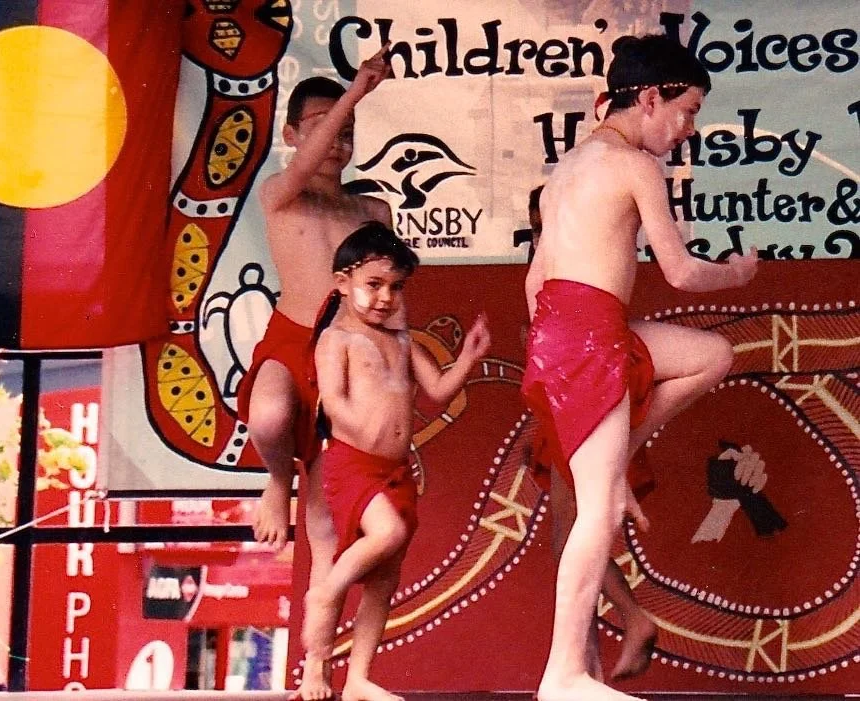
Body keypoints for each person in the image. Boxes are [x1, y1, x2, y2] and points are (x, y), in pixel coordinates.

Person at [522, 34, 758, 701]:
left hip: (567, 333)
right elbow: (680, 272)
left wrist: (559, 351)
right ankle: (563, 672)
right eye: (686, 111)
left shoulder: (568, 168)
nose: (687, 130)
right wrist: (737, 273)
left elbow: (538, 280)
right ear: (650, 98)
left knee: (712, 354)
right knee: (596, 506)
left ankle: (623, 447)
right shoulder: (635, 166)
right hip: (588, 336)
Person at [233, 47, 393, 699]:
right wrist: (356, 92)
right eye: (325, 124)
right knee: (269, 414)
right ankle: (276, 480)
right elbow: (304, 164)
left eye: (348, 129)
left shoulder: (371, 212)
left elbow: (388, 294)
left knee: (327, 529)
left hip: (350, 362)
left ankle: (317, 668)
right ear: (296, 133)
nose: (339, 138)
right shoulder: (282, 193)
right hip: (291, 339)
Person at [304, 222, 490, 701]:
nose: (386, 297)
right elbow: (333, 400)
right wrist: (359, 431)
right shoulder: (337, 340)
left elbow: (438, 391)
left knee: (385, 577)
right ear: (342, 282)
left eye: (395, 287)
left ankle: (360, 678)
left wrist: (467, 359)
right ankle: (327, 589)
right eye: (374, 284)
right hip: (353, 465)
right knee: (388, 534)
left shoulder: (403, 340)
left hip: (396, 469)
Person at [522, 184, 658, 683]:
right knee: (579, 533)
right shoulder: (554, 267)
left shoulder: (572, 269)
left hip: (583, 403)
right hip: (573, 402)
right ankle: (589, 665)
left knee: (575, 534)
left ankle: (627, 623)